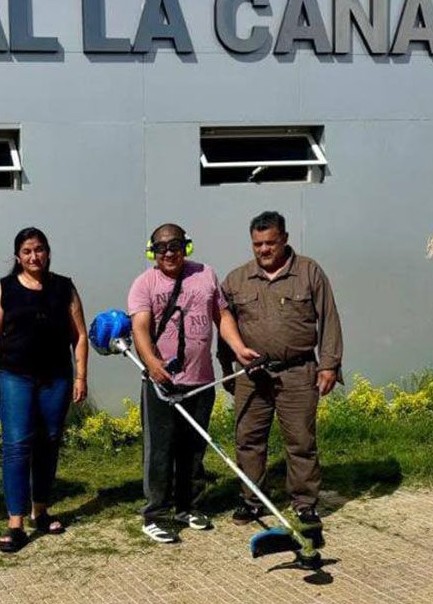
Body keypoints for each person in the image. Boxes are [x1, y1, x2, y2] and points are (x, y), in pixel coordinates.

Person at [219, 211, 343, 532]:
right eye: (257, 244)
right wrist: (226, 367)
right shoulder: (236, 280)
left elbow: (329, 318)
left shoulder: (308, 272)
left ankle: (304, 504)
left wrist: (329, 364)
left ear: (284, 239)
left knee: (301, 441)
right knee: (248, 439)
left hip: (298, 372)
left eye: (270, 242)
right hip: (251, 376)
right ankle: (253, 500)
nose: (264, 249)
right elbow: (223, 323)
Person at [127, 223, 239, 544]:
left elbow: (223, 317)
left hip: (200, 380)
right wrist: (152, 363)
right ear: (153, 252)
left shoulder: (206, 274)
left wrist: (239, 348)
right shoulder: (144, 283)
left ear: (186, 246)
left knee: (193, 448)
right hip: (161, 383)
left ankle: (187, 507)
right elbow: (139, 328)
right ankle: (155, 514)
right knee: (160, 450)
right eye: (161, 248)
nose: (168, 253)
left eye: (175, 245)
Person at [0, 227, 89, 553]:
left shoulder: (64, 287)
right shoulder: (6, 288)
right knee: (17, 445)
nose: (34, 256)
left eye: (39, 249)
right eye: (27, 251)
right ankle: (15, 523)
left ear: (48, 252)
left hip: (55, 378)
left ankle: (40, 511)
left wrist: (80, 377)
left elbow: (80, 336)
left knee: (49, 442)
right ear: (18, 256)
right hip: (15, 377)